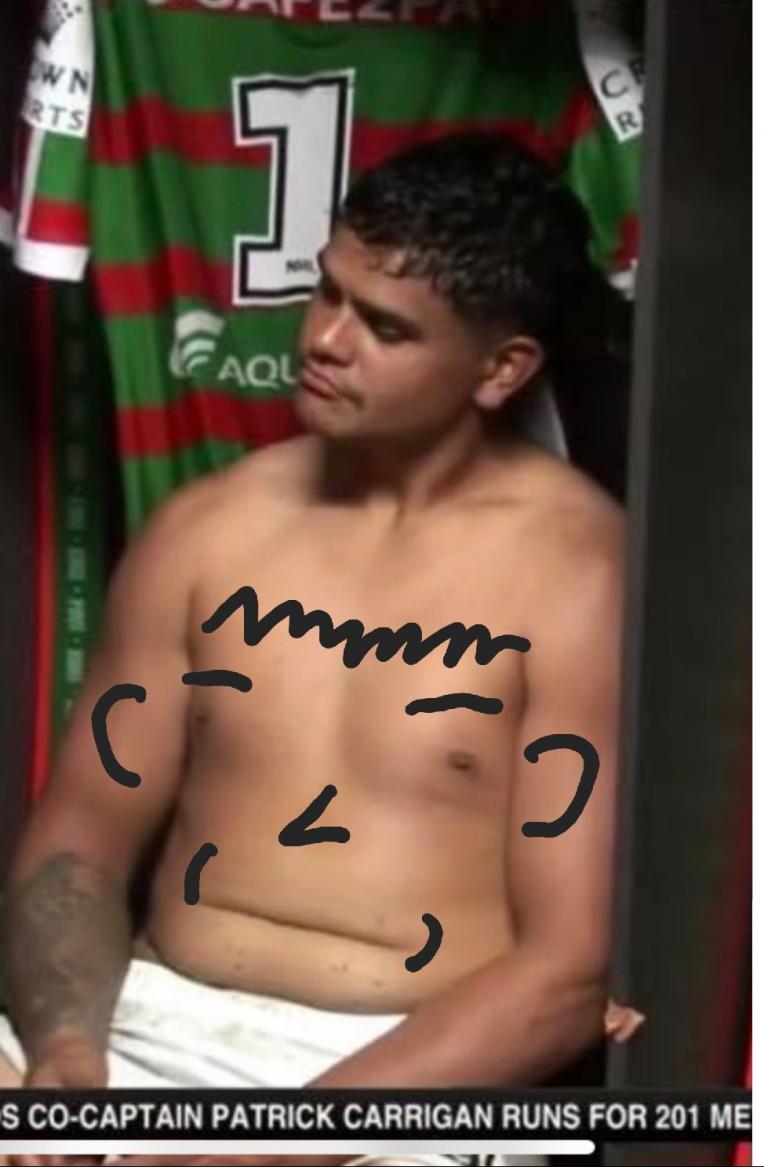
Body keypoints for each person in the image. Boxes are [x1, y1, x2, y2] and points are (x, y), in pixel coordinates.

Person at [0, 133, 631, 1167]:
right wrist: (67, 1053)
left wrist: (261, 1151)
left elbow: (568, 971)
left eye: (384, 327)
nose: (327, 340)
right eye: (327, 292)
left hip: (413, 1086)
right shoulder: (206, 531)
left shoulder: (579, 579)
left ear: (500, 369)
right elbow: (81, 837)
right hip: (144, 1030)